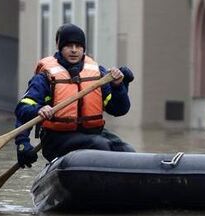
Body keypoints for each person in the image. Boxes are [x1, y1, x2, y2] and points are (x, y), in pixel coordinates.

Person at [14, 23, 135, 168]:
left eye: (78, 46)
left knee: (127, 151)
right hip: (57, 139)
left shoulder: (98, 74)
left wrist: (119, 86)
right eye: (69, 46)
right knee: (99, 145)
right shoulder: (45, 77)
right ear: (60, 48)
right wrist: (23, 142)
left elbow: (119, 110)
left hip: (94, 134)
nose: (74, 50)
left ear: (83, 49)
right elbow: (22, 109)